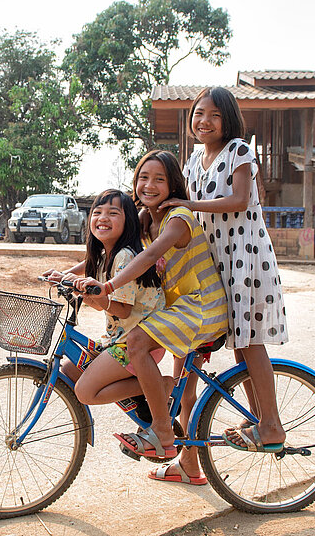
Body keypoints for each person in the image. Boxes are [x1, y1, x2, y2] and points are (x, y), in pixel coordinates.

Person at [75, 150, 228, 483]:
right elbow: (110, 251)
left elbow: (149, 256)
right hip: (178, 308)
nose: (149, 185)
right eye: (143, 177)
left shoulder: (178, 217)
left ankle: (161, 431)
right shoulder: (146, 218)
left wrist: (109, 285)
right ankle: (189, 465)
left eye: (159, 179)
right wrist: (69, 273)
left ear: (174, 184)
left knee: (137, 342)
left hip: (201, 306)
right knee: (185, 393)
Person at [159, 86, 287, 453]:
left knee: (250, 341)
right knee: (237, 344)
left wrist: (186, 200)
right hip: (213, 261)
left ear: (228, 119)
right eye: (199, 113)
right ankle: (257, 417)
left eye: (214, 115)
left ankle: (272, 425)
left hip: (244, 256)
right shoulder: (192, 161)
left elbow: (240, 199)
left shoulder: (239, 151)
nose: (205, 121)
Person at [46, 188, 166, 397]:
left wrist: (98, 296)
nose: (103, 218)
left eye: (113, 213)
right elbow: (90, 267)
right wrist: (64, 276)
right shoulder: (106, 254)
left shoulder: (125, 257)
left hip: (138, 344)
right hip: (118, 339)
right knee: (69, 370)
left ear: (128, 221)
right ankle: (143, 405)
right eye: (97, 212)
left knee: (85, 391)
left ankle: (159, 385)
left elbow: (124, 311)